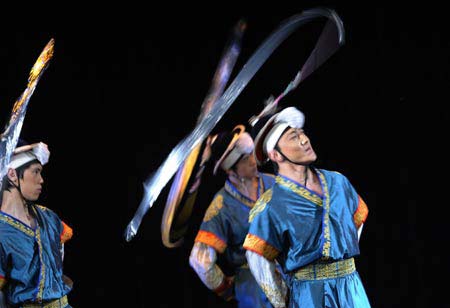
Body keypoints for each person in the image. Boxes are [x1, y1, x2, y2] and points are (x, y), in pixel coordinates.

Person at [242, 106, 370, 308]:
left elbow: (357, 221)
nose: (304, 140)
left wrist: (341, 253)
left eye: (302, 133)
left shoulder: (338, 182)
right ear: (276, 154)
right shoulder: (271, 205)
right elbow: (258, 258)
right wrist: (283, 299)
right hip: (309, 293)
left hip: (351, 287)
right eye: (294, 137)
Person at [189, 124, 278, 307]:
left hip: (288, 268)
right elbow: (200, 260)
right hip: (254, 285)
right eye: (245, 160)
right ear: (230, 169)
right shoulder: (222, 206)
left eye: (252, 154)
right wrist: (227, 288)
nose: (253, 161)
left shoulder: (272, 183)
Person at [0, 141, 73, 308]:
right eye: (35, 172)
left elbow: (59, 253)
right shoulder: (2, 232)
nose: (41, 180)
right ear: (12, 175)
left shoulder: (48, 217)